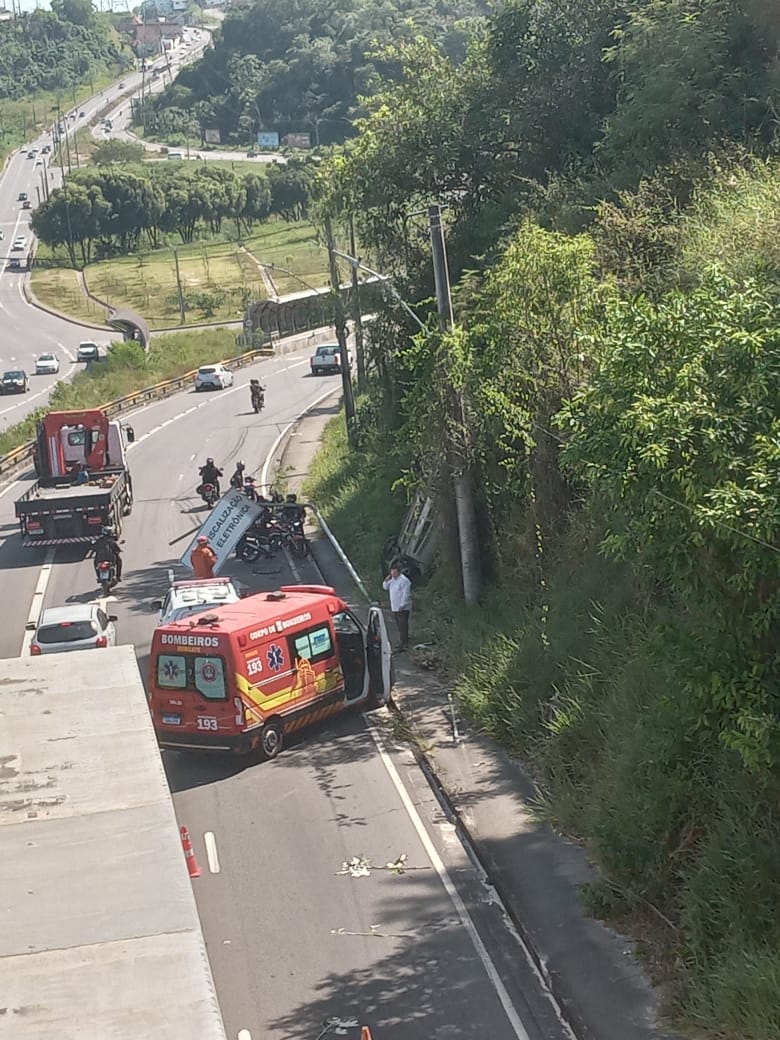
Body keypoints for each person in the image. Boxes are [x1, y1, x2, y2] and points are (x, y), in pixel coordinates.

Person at [382, 561, 412, 652]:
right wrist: (386, 580)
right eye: (391, 572)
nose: (392, 574)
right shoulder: (393, 580)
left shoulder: (404, 581)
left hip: (402, 607)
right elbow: (385, 587)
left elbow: (406, 594)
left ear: (398, 572)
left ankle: (404, 643)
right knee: (399, 625)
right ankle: (402, 641)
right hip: (394, 606)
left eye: (394, 572)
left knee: (403, 625)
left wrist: (402, 605)